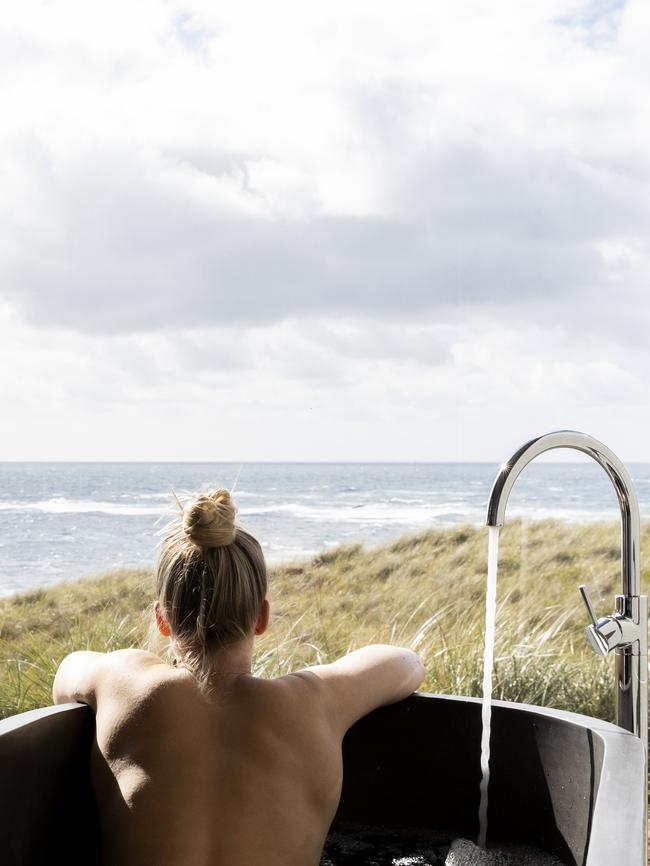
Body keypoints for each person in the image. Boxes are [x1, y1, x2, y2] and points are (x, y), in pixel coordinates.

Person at [53, 487, 425, 866]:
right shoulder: (312, 702)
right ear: (261, 617)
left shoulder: (124, 681)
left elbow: (65, 676)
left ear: (162, 619)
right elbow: (408, 663)